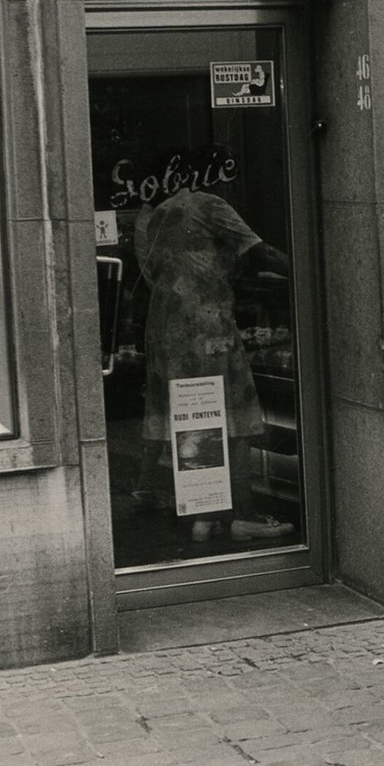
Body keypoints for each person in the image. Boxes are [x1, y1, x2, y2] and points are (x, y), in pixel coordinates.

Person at [134, 145, 296, 544]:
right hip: (208, 328)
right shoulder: (208, 203)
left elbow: (157, 273)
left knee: (194, 417)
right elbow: (262, 252)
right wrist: (310, 272)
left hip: (167, 330)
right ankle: (244, 514)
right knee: (233, 417)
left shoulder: (159, 213)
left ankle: (204, 515)